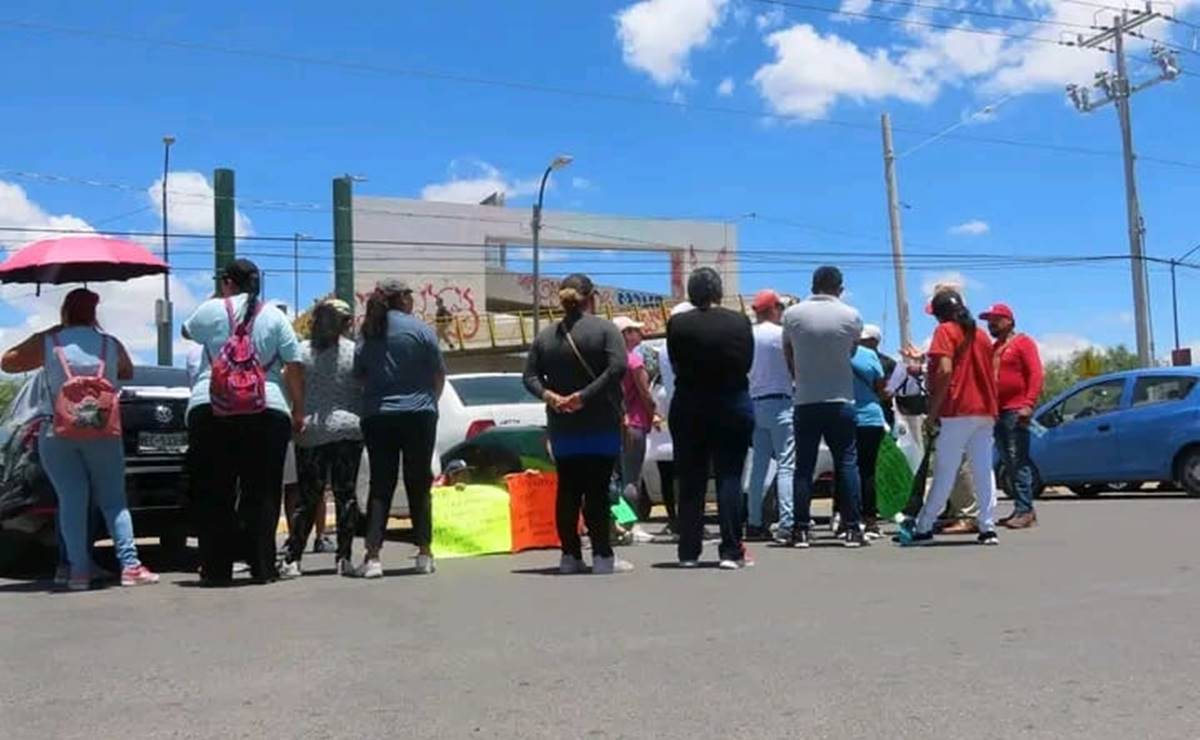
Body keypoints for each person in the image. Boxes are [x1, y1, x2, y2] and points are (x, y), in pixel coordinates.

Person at [2, 288, 159, 590]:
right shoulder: (110, 344)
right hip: (102, 430)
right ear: (94, 313)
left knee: (71, 500)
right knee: (114, 500)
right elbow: (126, 372)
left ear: (64, 311)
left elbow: (7, 362)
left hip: (56, 430)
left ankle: (78, 571)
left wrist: (48, 335)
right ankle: (130, 566)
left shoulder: (50, 342)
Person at [183, 259, 305, 585]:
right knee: (263, 491)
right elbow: (293, 364)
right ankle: (263, 566)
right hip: (267, 407)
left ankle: (216, 569)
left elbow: (186, 331)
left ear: (227, 282)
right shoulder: (276, 316)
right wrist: (298, 409)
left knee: (214, 490)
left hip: (211, 406)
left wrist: (218, 299)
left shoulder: (211, 310)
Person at [523, 273, 632, 575]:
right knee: (597, 489)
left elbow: (529, 377)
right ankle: (602, 556)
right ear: (591, 297)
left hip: (563, 427)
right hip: (600, 424)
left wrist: (551, 397)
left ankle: (569, 556)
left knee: (568, 489)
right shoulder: (606, 330)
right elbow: (618, 368)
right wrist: (584, 396)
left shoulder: (545, 337)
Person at [355, 280, 445, 578]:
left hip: (378, 415)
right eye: (410, 294)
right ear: (403, 299)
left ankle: (373, 557)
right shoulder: (421, 330)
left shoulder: (368, 330)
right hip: (419, 413)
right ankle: (424, 553)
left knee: (381, 484)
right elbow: (438, 375)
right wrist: (429, 402)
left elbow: (360, 375)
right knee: (419, 483)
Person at [667, 268, 755, 569]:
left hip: (689, 404)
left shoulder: (678, 324)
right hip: (731, 403)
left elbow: (676, 363)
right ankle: (731, 550)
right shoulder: (740, 322)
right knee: (729, 477)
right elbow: (747, 362)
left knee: (691, 479)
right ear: (719, 292)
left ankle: (688, 552)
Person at [898, 288, 1000, 546]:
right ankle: (987, 526)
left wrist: (933, 412)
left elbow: (944, 370)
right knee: (982, 468)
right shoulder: (980, 335)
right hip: (985, 409)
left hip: (957, 409)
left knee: (945, 469)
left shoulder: (945, 331)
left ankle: (924, 524)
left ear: (940, 314)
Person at [781, 266, 866, 548]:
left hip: (805, 399)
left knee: (803, 466)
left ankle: (801, 529)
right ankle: (853, 527)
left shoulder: (792, 315)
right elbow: (852, 350)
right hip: (841, 398)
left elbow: (789, 353)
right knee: (847, 462)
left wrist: (799, 376)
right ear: (839, 288)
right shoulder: (850, 315)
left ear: (813, 285)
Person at [280, 299, 364, 578]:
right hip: (348, 430)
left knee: (308, 496)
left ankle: (293, 558)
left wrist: (299, 407)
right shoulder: (355, 352)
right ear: (345, 324)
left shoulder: (302, 352)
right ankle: (344, 558)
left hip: (311, 430)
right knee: (345, 494)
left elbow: (287, 381)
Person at [981, 303, 1044, 530]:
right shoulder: (994, 347)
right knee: (1008, 461)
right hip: (997, 411)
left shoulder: (1023, 343)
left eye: (996, 319)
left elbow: (1036, 374)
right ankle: (1022, 509)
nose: (991, 323)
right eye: (989, 320)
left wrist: (1028, 404)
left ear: (1009, 321)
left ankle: (1025, 510)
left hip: (1015, 409)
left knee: (1018, 460)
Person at [746, 288, 795, 542]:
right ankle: (787, 522)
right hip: (781, 402)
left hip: (755, 404)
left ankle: (754, 522)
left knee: (759, 468)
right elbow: (793, 366)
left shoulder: (748, 336)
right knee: (787, 465)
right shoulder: (782, 334)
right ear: (775, 308)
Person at [613, 317, 657, 515]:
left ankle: (617, 522)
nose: (639, 334)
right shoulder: (634, 361)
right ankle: (628, 523)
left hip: (613, 423)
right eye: (635, 330)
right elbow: (645, 393)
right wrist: (654, 413)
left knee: (617, 477)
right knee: (632, 478)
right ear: (626, 335)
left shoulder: (610, 361)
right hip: (635, 424)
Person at [851, 328, 888, 539]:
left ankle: (846, 517)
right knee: (868, 471)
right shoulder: (870, 356)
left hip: (846, 415)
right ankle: (870, 520)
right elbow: (880, 386)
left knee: (846, 468)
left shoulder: (839, 354)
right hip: (871, 417)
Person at [859, 324, 897, 430]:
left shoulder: (888, 363)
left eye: (864, 340)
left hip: (883, 413)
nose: (860, 342)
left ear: (875, 342)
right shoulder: (852, 360)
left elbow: (891, 390)